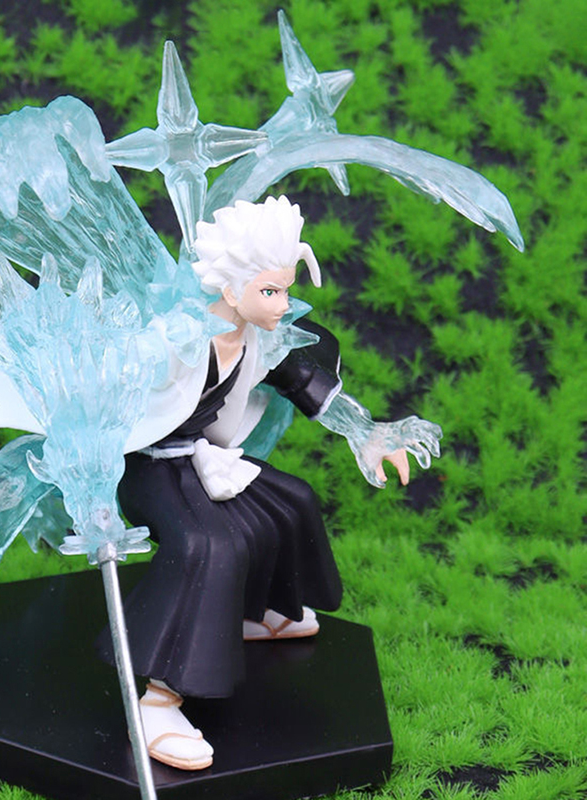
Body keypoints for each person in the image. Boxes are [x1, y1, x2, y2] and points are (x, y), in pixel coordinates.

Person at [97, 195, 429, 770]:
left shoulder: (260, 334)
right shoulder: (174, 342)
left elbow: (306, 382)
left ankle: (256, 610)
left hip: (201, 457)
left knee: (289, 500)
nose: (284, 304)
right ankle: (156, 700)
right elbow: (106, 401)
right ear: (231, 291)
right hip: (147, 467)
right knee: (207, 544)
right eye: (271, 292)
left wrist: (368, 434)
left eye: (285, 289)